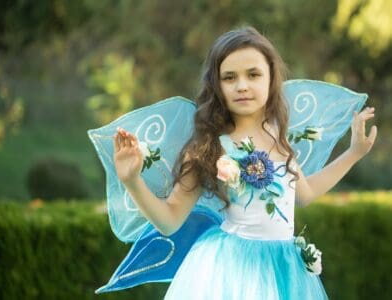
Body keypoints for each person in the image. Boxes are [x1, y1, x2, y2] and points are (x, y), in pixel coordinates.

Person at [112, 27, 377, 299]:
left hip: (285, 268)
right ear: (217, 86)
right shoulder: (209, 146)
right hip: (234, 272)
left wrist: (353, 153)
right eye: (229, 77)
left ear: (271, 78)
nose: (242, 85)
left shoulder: (278, 136)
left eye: (253, 74)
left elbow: (305, 194)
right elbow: (169, 221)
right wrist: (132, 180)